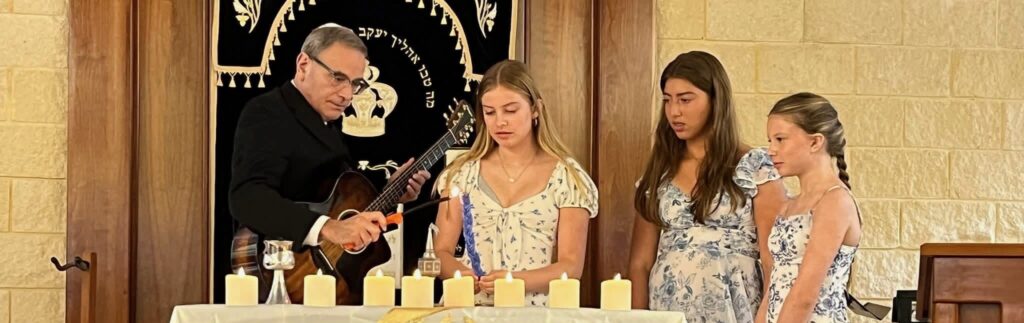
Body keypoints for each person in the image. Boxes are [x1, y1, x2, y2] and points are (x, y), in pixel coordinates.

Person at [229, 24, 430, 256]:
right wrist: (328, 227)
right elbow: (247, 197)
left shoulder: (327, 125)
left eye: (355, 84)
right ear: (303, 65)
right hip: (279, 275)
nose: (348, 95)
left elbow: (342, 211)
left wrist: (392, 194)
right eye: (337, 77)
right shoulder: (267, 112)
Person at [628, 51, 787, 323]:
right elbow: (640, 263)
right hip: (667, 311)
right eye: (668, 100)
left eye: (685, 100)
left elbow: (776, 261)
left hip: (736, 311)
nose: (674, 111)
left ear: (716, 100)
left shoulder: (755, 167)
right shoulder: (659, 172)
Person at [433, 60, 599, 306]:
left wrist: (515, 280)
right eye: (490, 112)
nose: (500, 122)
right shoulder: (462, 174)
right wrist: (459, 274)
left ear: (535, 109)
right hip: (469, 307)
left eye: (510, 110)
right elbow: (441, 251)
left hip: (532, 310)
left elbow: (571, 266)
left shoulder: (567, 178)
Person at [763, 92, 862, 323]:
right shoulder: (789, 205)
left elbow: (805, 294)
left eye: (780, 139)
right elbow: (774, 287)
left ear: (816, 142)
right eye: (770, 141)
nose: (771, 150)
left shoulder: (834, 201)